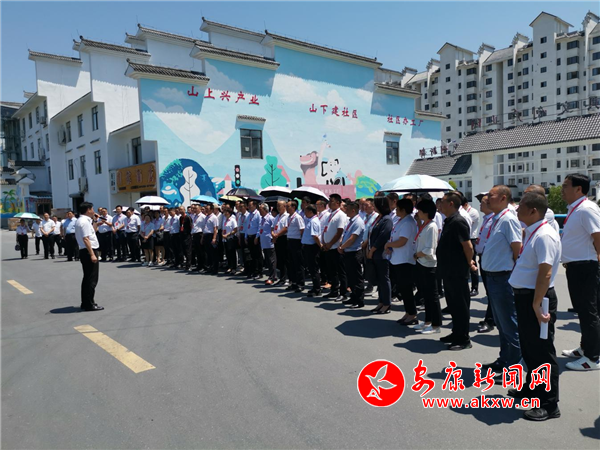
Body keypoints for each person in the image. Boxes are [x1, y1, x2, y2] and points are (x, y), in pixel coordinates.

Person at [509, 192, 561, 421]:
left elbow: (545, 273)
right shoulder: (533, 231)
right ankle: (532, 389)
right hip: (527, 297)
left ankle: (549, 404)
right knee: (529, 348)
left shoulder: (545, 235)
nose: (517, 209)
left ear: (533, 210)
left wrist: (537, 304)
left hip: (537, 298)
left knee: (542, 351)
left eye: (520, 206)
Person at [560, 173, 600, 371]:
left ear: (578, 189)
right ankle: (585, 347)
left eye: (566, 186)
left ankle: (593, 357)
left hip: (586, 267)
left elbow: (598, 236)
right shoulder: (575, 209)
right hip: (576, 266)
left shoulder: (586, 209)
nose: (562, 189)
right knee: (583, 311)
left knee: (589, 312)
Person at [481, 185, 523, 370]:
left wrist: (515, 273)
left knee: (509, 324)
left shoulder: (508, 219)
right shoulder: (496, 218)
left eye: (491, 195)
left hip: (503, 277)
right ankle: (504, 359)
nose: (487, 198)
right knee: (501, 323)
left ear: (503, 198)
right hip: (493, 277)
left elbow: (517, 248)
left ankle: (514, 367)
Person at [437, 193, 474, 349]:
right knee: (453, 304)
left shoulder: (458, 221)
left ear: (451, 203)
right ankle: (456, 332)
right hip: (448, 270)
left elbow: (468, 246)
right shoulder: (449, 220)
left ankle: (463, 338)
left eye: (442, 202)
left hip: (457, 270)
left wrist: (469, 263)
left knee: (460, 305)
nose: (440, 204)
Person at [385, 199, 419, 325]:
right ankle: (408, 312)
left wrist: (389, 244)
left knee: (406, 288)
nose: (396, 211)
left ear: (403, 210)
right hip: (398, 258)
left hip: (405, 260)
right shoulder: (402, 220)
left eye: (397, 208)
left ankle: (412, 314)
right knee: (403, 288)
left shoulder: (408, 222)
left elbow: (402, 241)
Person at [75, 202, 104, 311]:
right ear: (88, 210)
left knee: (87, 278)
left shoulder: (83, 221)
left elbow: (93, 232)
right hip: (88, 251)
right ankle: (89, 304)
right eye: (92, 209)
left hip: (86, 250)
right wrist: (92, 254)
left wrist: (95, 221)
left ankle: (86, 302)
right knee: (91, 279)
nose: (93, 211)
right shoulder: (84, 222)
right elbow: (86, 239)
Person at [368, 195, 393, 314]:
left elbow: (383, 236)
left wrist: (372, 249)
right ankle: (381, 302)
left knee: (384, 278)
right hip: (375, 252)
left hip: (381, 253)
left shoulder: (387, 219)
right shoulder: (379, 218)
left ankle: (387, 303)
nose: (373, 206)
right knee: (379, 279)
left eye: (375, 204)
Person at [474, 195, 496, 333]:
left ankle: (490, 320)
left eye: (482, 203)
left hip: (490, 259)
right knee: (490, 292)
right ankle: (493, 317)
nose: (480, 205)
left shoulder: (494, 219)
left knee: (492, 292)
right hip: (483, 257)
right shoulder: (487, 218)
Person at [339, 201, 366, 308]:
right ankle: (353, 297)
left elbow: (352, 238)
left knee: (356, 278)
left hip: (354, 252)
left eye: (348, 209)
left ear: (353, 210)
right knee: (350, 277)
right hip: (348, 252)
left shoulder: (358, 222)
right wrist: (341, 245)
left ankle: (359, 300)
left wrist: (342, 247)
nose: (346, 211)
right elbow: (345, 234)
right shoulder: (350, 221)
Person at [322, 194, 348, 301]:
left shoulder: (340, 215)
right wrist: (324, 242)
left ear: (338, 203)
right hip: (328, 247)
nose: (329, 203)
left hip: (336, 247)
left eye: (331, 201)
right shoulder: (330, 215)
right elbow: (325, 229)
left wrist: (330, 243)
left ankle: (343, 293)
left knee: (341, 271)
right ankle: (334, 290)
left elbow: (339, 232)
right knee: (331, 271)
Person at [302, 205, 322, 297]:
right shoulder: (311, 220)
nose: (305, 213)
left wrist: (320, 245)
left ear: (311, 212)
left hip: (312, 247)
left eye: (306, 211)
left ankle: (317, 289)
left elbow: (315, 236)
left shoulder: (314, 221)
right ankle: (315, 287)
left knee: (314, 269)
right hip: (309, 247)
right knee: (311, 268)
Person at [286, 200, 305, 293]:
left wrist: (301, 242)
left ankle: (300, 284)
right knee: (291, 263)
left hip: (297, 241)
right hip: (290, 240)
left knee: (298, 264)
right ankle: (293, 282)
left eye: (288, 206)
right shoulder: (289, 217)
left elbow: (302, 230)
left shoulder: (298, 217)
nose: (286, 208)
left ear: (293, 207)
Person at [362, 198, 379, 296]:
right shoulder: (365, 216)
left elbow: (372, 233)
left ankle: (374, 286)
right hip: (364, 245)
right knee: (367, 266)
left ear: (373, 206)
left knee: (373, 267)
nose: (365, 207)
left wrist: (366, 243)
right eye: (364, 205)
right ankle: (370, 285)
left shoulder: (376, 217)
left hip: (370, 245)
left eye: (367, 205)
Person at [258, 203, 277, 284]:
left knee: (271, 259)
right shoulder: (261, 218)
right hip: (264, 241)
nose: (259, 211)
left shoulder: (271, 218)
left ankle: (272, 277)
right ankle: (272, 275)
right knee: (268, 260)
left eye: (261, 209)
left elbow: (274, 229)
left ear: (265, 210)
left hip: (269, 242)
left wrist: (273, 238)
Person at [272, 200, 289, 286]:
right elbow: (272, 227)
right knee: (279, 259)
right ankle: (281, 278)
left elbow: (286, 228)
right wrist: (273, 235)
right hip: (276, 238)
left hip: (283, 238)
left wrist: (277, 235)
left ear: (284, 206)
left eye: (280, 206)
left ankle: (285, 278)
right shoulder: (277, 217)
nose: (278, 208)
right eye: (277, 206)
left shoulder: (287, 216)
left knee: (284, 258)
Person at [245, 200, 263, 279]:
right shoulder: (249, 215)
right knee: (251, 255)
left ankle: (259, 271)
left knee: (257, 255)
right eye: (248, 205)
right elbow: (247, 226)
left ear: (255, 206)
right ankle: (253, 271)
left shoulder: (258, 214)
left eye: (250, 205)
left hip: (255, 236)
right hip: (249, 236)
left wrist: (257, 236)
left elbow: (259, 226)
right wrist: (246, 236)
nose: (249, 207)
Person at [316, 199, 331, 288]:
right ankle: (323, 279)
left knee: (326, 262)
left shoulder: (327, 215)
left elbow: (325, 229)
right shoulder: (319, 215)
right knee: (321, 262)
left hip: (324, 241)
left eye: (317, 205)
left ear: (322, 205)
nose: (316, 207)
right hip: (319, 241)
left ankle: (328, 280)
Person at [202, 203, 220, 275]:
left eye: (207, 209)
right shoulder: (206, 217)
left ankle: (215, 269)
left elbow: (215, 228)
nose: (206, 210)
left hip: (211, 235)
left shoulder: (214, 217)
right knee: (208, 253)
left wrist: (214, 238)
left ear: (212, 210)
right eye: (205, 209)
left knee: (214, 253)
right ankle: (210, 267)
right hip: (206, 235)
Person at [222, 207, 238, 274]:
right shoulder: (225, 220)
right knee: (227, 254)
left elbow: (235, 229)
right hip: (225, 239)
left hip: (230, 238)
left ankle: (234, 267)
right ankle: (230, 267)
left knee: (232, 253)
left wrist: (228, 234)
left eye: (226, 212)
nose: (225, 213)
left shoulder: (232, 220)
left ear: (229, 213)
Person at [191, 204, 205, 272]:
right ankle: (199, 266)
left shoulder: (203, 216)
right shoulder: (194, 216)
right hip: (195, 234)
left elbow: (204, 227)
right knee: (197, 251)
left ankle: (204, 266)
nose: (195, 210)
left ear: (200, 209)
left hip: (200, 234)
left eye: (196, 208)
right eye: (194, 209)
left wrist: (202, 236)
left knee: (201, 251)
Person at [178, 206, 193, 271]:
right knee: (183, 250)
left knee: (188, 251)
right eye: (179, 210)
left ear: (184, 210)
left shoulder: (188, 217)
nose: (180, 211)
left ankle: (188, 265)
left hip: (187, 236)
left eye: (181, 209)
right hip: (182, 235)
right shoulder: (180, 218)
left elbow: (191, 226)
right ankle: (186, 264)